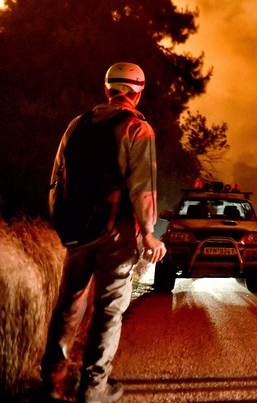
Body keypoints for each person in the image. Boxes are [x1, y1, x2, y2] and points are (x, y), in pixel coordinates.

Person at [41, 62, 166, 403]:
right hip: (115, 229)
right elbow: (144, 187)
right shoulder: (138, 129)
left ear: (107, 89)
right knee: (109, 306)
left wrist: (63, 221)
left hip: (76, 227)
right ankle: (94, 386)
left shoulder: (76, 124)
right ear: (137, 92)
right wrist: (149, 233)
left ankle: (52, 379)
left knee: (69, 303)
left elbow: (56, 178)